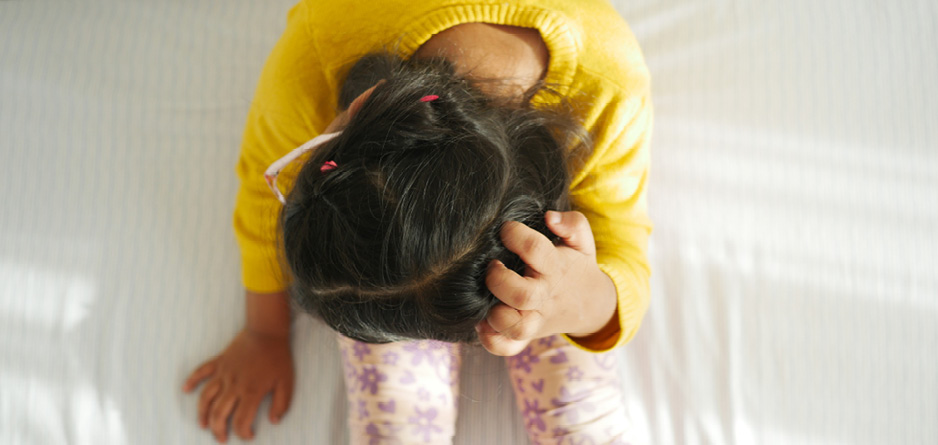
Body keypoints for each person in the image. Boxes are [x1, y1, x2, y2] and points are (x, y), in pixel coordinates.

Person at [182, 0, 653, 443]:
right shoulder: (313, 55)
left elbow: (623, 241)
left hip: (546, 251)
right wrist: (264, 331)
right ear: (363, 107)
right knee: (394, 418)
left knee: (582, 419)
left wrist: (583, 300)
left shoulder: (608, 88)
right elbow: (262, 190)